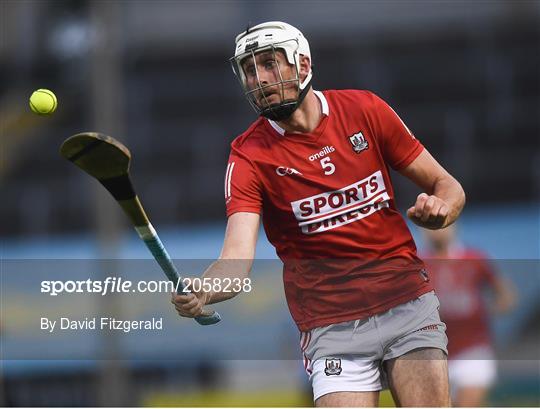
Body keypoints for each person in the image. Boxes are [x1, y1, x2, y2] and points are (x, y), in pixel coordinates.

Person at [172, 21, 466, 407]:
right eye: (249, 69)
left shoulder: (365, 110)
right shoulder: (248, 156)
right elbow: (235, 259)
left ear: (303, 64)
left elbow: (449, 187)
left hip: (406, 304)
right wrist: (205, 288)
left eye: (269, 63)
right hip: (332, 327)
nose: (258, 79)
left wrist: (441, 211)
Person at [423, 225, 516, 407]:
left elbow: (504, 294)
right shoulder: (418, 264)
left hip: (473, 347)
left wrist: (494, 308)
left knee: (468, 403)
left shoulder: (474, 259)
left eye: (442, 225)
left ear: (454, 227)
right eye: (430, 226)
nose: (437, 231)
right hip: (433, 351)